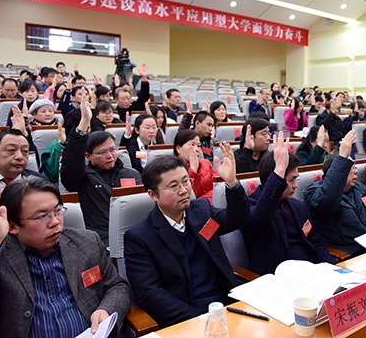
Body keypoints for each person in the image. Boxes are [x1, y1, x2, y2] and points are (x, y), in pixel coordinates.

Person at [0, 178, 129, 337]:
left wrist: (106, 309)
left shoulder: (87, 242)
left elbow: (116, 286)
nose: (55, 222)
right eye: (42, 216)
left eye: (57, 211)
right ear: (12, 226)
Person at [124, 150, 249, 328]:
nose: (184, 191)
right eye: (174, 186)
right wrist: (198, 319)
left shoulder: (201, 210)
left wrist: (232, 184)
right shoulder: (140, 237)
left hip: (227, 302)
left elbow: (237, 220)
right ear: (153, 195)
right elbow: (149, 293)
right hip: (186, 314)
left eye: (185, 181)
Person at [241, 132, 337, 275]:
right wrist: (279, 170)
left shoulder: (298, 206)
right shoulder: (250, 206)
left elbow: (315, 242)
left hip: (308, 272)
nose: (296, 185)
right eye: (291, 180)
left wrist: (335, 269)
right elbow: (260, 217)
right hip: (274, 277)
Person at [303, 130, 366, 255]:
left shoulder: (362, 189)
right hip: (349, 252)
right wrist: (342, 159)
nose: (356, 171)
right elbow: (328, 200)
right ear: (336, 171)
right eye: (350, 168)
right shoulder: (315, 192)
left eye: (354, 167)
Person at [60, 98, 142, 245]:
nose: (110, 156)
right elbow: (72, 161)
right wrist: (84, 122)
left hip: (135, 237)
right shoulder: (83, 178)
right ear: (88, 156)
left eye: (112, 150)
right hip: (101, 241)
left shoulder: (132, 175)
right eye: (103, 152)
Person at [0, 98, 46, 202]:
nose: (19, 157)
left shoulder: (40, 181)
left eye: (25, 152)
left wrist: (24, 136)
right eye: (11, 150)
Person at [174, 129, 216, 203]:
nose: (197, 149)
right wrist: (193, 170)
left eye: (199, 146)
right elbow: (187, 198)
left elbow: (218, 188)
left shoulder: (206, 163)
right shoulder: (173, 170)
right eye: (192, 145)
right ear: (178, 149)